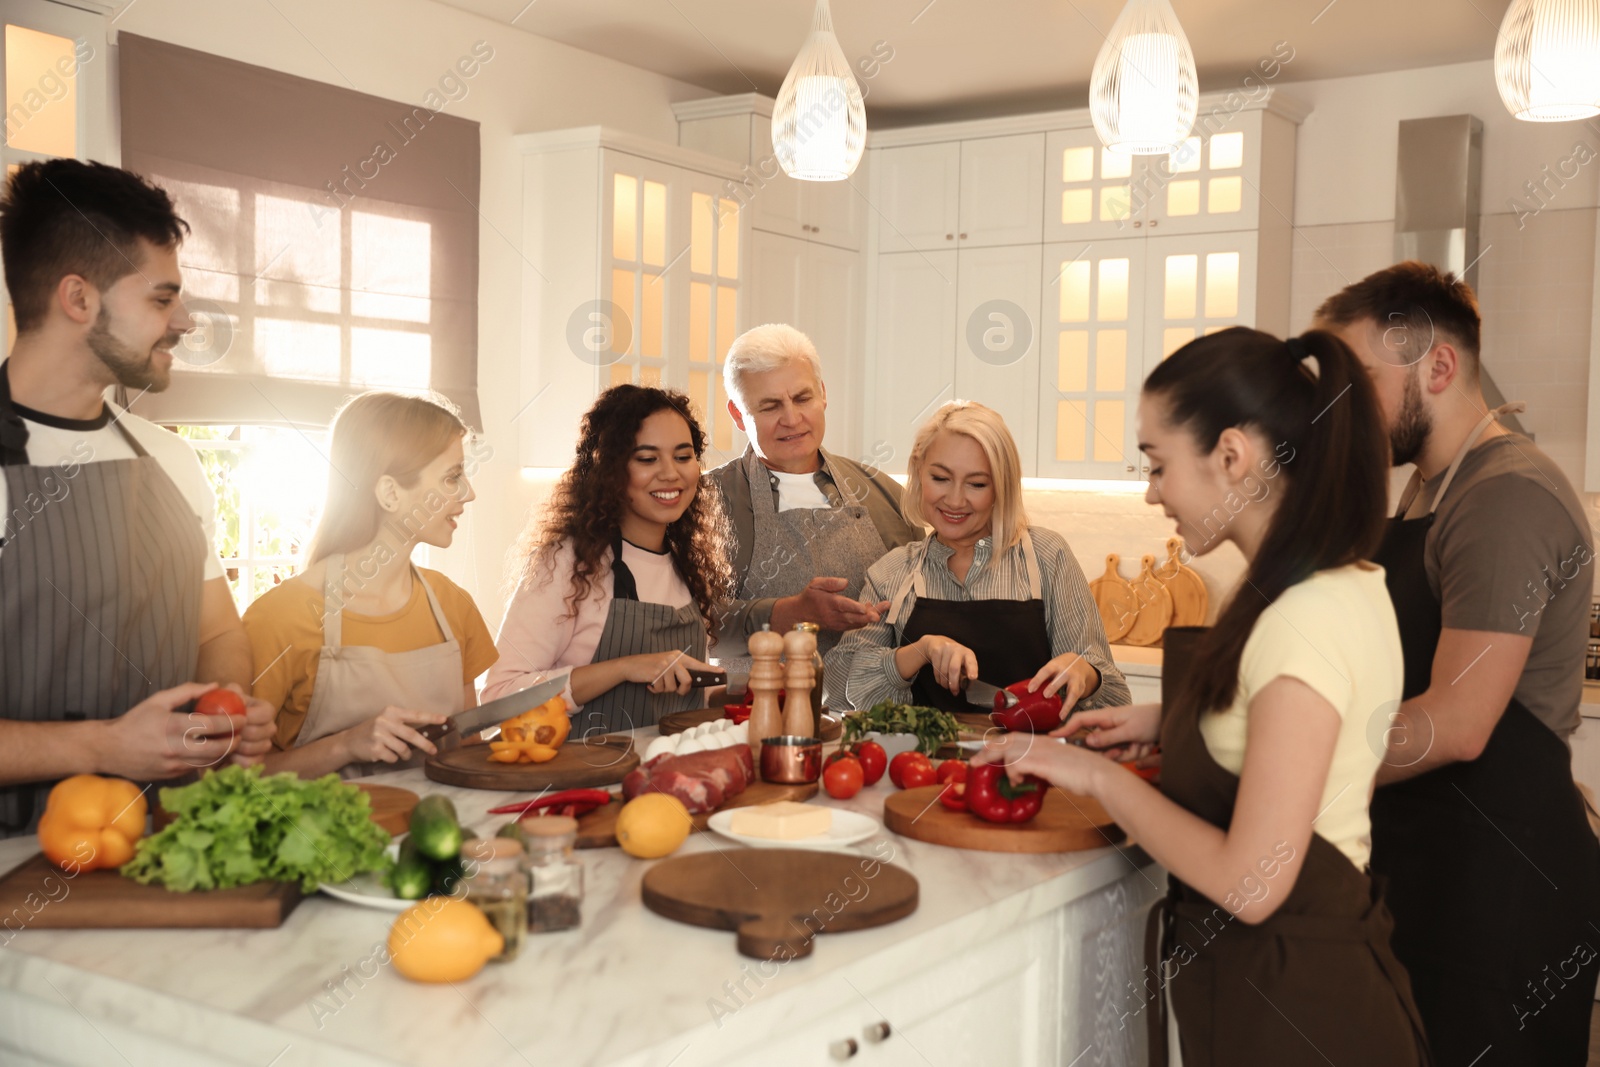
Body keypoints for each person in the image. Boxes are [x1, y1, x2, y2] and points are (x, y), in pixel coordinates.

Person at [977, 329, 1431, 1065]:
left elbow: (1250, 883)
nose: (1151, 491)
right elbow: (1309, 736)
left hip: (1299, 1013)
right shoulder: (1336, 582)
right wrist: (1172, 720)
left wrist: (1095, 775)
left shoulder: (1300, 615)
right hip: (1299, 985)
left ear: (1231, 455)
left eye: (1157, 465)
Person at [1315, 263, 1600, 1065]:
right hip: (1431, 864)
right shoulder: (1424, 488)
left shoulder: (1506, 495)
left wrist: (1298, 769)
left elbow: (1456, 722)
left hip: (1501, 886)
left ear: (1438, 367)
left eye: (1358, 379)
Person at [0, 159, 274, 835]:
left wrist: (227, 703)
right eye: (161, 298)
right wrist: (101, 745)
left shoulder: (172, 459)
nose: (183, 320)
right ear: (78, 298)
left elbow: (217, 629)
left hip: (159, 850)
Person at [243, 392, 498, 777]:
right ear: (390, 493)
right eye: (452, 476)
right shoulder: (278, 619)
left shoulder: (452, 604)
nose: (468, 492)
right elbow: (228, 777)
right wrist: (345, 745)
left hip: (438, 834)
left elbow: (466, 749)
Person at [828, 401, 1130, 716]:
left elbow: (1116, 700)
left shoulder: (1047, 557)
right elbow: (837, 691)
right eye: (941, 478)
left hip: (1029, 760)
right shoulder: (892, 573)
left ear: (1001, 487)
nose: (955, 499)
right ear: (919, 472)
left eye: (977, 484)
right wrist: (919, 651)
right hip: (925, 763)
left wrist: (1088, 675)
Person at [486, 385, 733, 734]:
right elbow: (500, 699)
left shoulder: (686, 566)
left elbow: (684, 697)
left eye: (683, 456)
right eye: (647, 459)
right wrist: (624, 668)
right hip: (580, 779)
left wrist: (754, 687)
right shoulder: (567, 564)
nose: (671, 474)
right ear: (610, 471)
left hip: (664, 775)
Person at [706, 324, 921, 692]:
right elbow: (689, 627)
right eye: (770, 405)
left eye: (802, 398)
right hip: (756, 716)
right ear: (738, 414)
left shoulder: (884, 493)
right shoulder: (704, 502)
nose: (791, 419)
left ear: (823, 394)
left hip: (876, 713)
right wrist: (789, 614)